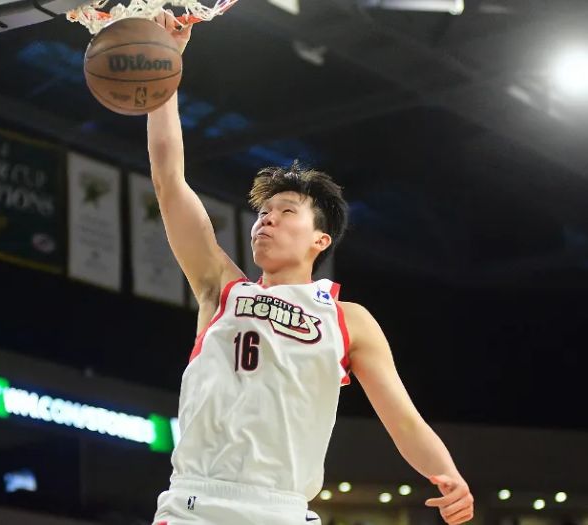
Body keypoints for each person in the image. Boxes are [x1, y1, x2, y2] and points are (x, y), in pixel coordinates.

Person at [149, 11, 474, 525]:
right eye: (262, 213)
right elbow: (169, 180)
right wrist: (165, 70)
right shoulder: (220, 287)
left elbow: (403, 419)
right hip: (197, 504)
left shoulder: (349, 319)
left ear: (320, 239)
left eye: (285, 212)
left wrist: (447, 474)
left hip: (282, 510)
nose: (266, 220)